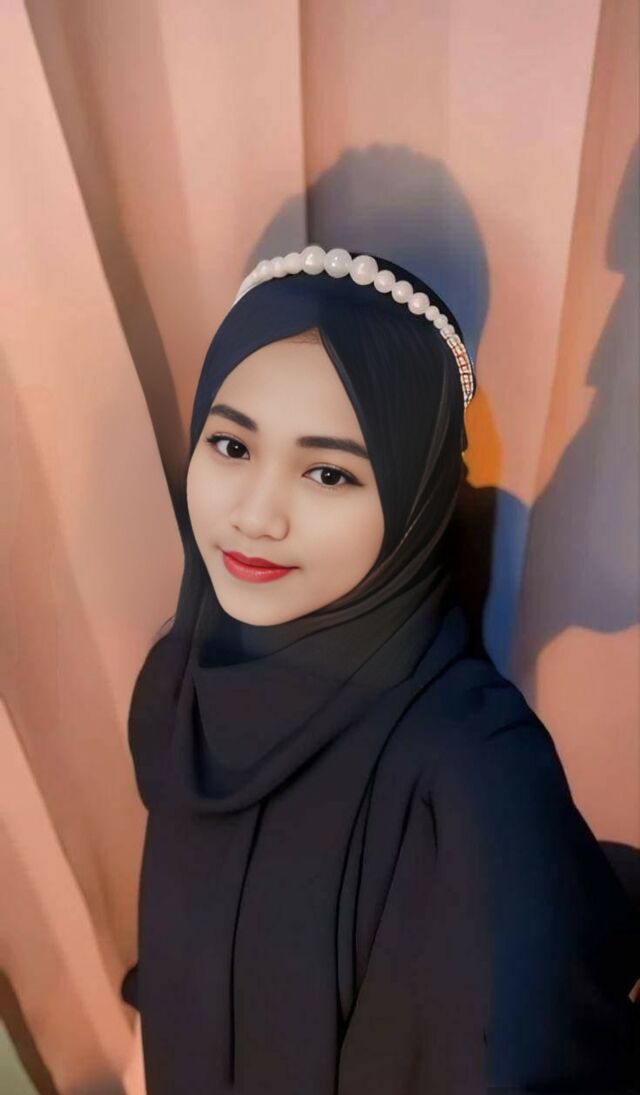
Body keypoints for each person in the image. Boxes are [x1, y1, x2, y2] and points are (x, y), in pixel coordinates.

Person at [121, 246, 639, 1094]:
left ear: (415, 501)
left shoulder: (475, 768)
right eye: (231, 445)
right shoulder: (179, 684)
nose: (256, 515)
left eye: (328, 472)